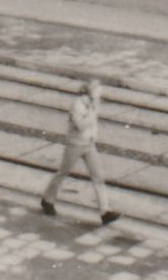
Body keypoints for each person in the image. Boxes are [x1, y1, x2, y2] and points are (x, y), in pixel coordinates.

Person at [39, 79, 120, 226]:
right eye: (98, 91)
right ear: (90, 92)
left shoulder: (93, 104)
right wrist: (91, 112)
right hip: (75, 144)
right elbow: (80, 125)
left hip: (89, 145)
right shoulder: (78, 105)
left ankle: (105, 212)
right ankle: (47, 199)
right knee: (63, 172)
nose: (101, 93)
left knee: (98, 177)